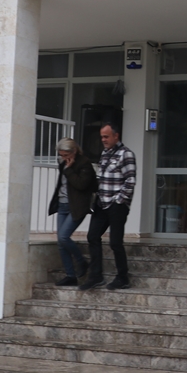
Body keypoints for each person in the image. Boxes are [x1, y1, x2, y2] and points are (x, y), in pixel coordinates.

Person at [80, 123, 137, 291]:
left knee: (115, 242)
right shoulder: (105, 154)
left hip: (116, 205)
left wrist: (119, 201)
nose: (103, 140)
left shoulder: (126, 154)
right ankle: (96, 276)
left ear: (116, 136)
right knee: (92, 236)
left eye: (106, 136)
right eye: (102, 137)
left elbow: (130, 181)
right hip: (101, 203)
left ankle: (123, 277)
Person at [47, 138, 97, 287]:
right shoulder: (63, 163)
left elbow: (81, 185)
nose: (63, 158)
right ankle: (70, 275)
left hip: (76, 206)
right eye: (61, 155)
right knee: (61, 242)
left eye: (65, 155)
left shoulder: (84, 164)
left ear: (74, 151)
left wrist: (69, 170)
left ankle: (82, 262)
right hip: (62, 205)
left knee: (63, 237)